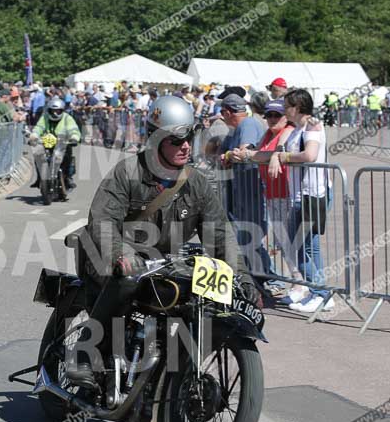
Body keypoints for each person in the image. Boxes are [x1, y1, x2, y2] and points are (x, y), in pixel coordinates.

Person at [65, 95, 261, 388]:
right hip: (105, 253)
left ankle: (166, 373)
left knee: (193, 294)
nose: (185, 146)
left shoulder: (196, 183)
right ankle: (84, 354)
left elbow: (220, 237)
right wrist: (121, 254)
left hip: (158, 262)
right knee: (126, 280)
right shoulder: (128, 173)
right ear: (156, 139)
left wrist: (244, 281)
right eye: (176, 139)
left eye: (190, 137)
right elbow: (103, 221)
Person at [227, 99, 304, 301]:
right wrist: (242, 155)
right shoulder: (268, 134)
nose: (271, 119)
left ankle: (305, 286)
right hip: (272, 194)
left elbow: (278, 152)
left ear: (285, 116)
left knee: (294, 241)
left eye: (276, 115)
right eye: (268, 114)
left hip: (287, 193)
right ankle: (298, 284)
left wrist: (272, 156)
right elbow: (258, 155)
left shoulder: (286, 130)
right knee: (283, 241)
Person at [275, 89, 334, 313]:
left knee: (300, 246)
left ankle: (321, 292)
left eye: (286, 105)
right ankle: (319, 293)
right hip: (302, 194)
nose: (283, 109)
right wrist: (277, 154)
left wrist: (283, 157)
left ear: (297, 107)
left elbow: (309, 155)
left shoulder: (312, 126)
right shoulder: (298, 128)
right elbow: (283, 145)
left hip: (311, 193)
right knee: (308, 246)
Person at [219, 93, 268, 277]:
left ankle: (269, 278)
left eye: (223, 113)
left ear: (228, 112)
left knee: (251, 236)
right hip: (243, 189)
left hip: (253, 188)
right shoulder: (236, 128)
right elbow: (217, 153)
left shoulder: (247, 124)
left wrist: (229, 156)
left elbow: (243, 151)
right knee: (246, 237)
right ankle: (262, 275)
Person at [29, 96, 81, 189]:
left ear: (62, 110)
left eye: (58, 111)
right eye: (53, 111)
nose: (55, 113)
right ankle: (39, 178)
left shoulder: (67, 118)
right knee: (38, 156)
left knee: (67, 158)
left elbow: (73, 129)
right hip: (48, 142)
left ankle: (68, 178)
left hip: (63, 142)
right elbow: (39, 127)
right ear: (49, 110)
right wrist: (34, 136)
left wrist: (74, 138)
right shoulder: (45, 117)